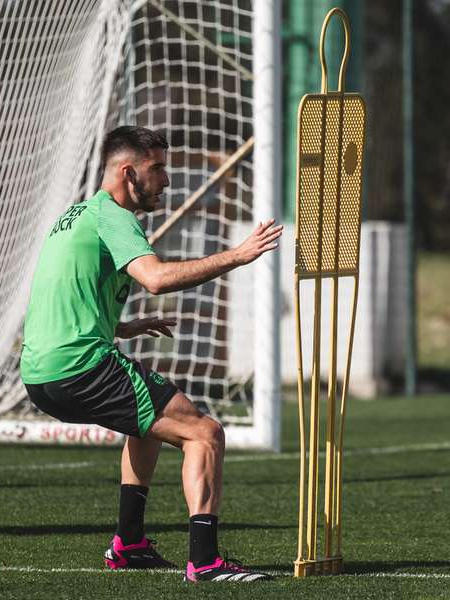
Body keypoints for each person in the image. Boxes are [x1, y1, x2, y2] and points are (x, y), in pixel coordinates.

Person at [20, 126, 281, 582]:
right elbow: (156, 278)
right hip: (81, 366)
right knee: (205, 433)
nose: (166, 179)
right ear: (128, 172)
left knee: (149, 422)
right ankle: (205, 561)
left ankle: (130, 544)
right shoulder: (114, 217)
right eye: (156, 168)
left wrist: (121, 326)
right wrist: (237, 256)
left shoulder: (76, 216)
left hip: (41, 372)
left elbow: (62, 295)